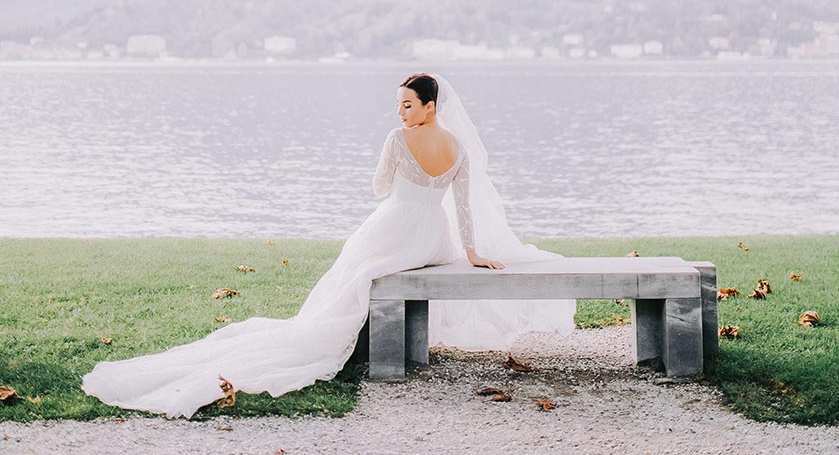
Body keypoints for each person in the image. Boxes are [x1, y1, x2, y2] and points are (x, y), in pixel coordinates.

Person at [81, 72, 576, 418]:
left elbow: (380, 190)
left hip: (394, 227)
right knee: (358, 275)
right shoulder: (459, 148)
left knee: (349, 275)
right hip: (433, 235)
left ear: (429, 106)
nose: (400, 112)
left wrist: (397, 167)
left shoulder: (397, 140)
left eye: (407, 104)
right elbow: (463, 209)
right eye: (398, 105)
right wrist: (470, 253)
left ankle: (333, 337)